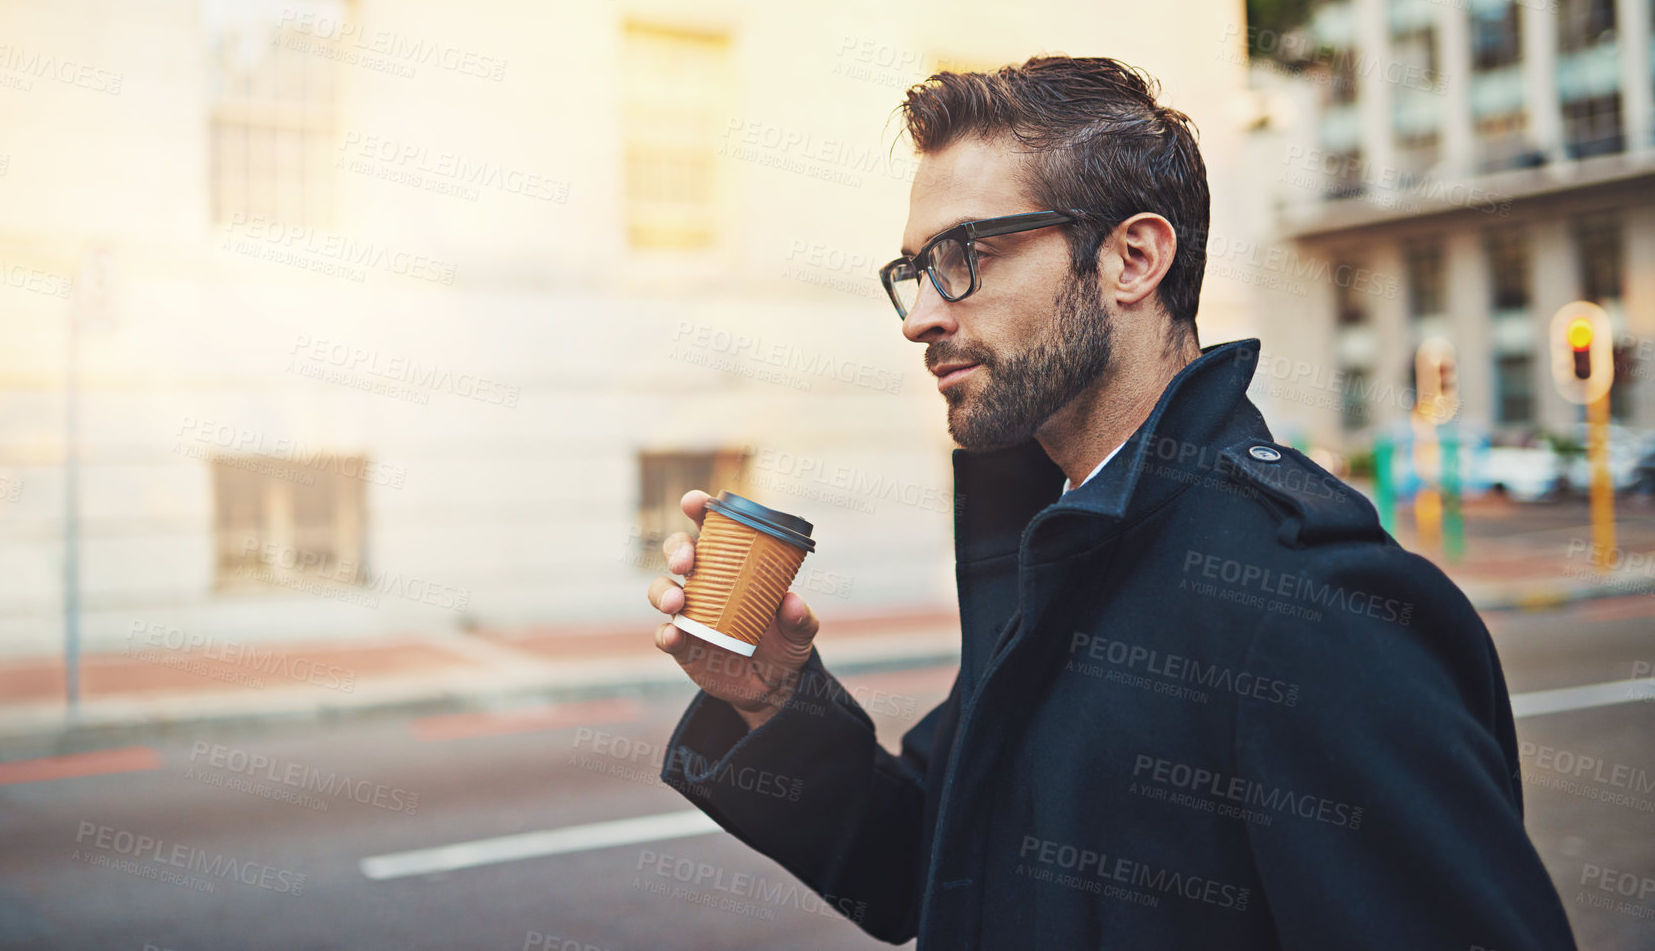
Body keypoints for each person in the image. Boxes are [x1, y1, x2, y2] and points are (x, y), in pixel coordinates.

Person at [645, 56, 1577, 949]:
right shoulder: (1057, 554)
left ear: (1132, 259)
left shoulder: (1308, 607)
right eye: (914, 271)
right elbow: (929, 866)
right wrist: (772, 700)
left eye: (965, 253)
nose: (921, 315)